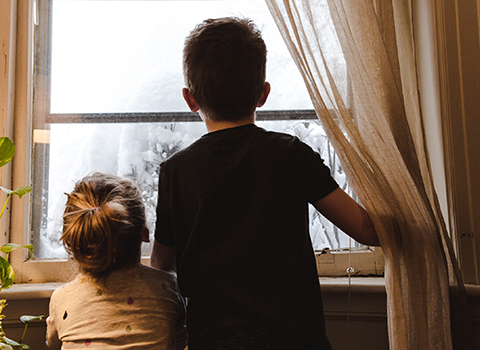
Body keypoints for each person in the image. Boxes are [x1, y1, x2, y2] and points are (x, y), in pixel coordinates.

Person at [151, 17, 379, 350]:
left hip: (215, 341)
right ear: (263, 94)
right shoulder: (291, 154)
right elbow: (366, 230)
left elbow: (161, 265)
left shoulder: (176, 171)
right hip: (297, 340)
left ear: (190, 99)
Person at [46, 172, 187, 350]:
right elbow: (179, 343)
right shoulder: (169, 289)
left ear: (74, 243)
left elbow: (51, 345)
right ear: (144, 233)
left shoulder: (61, 300)